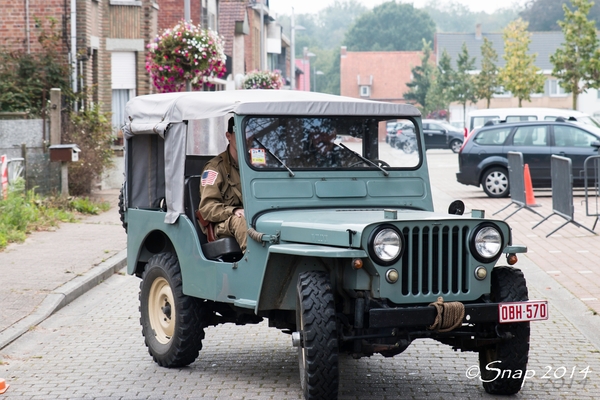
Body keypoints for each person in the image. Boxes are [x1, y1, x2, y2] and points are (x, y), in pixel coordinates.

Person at [198, 117, 247, 251]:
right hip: (223, 222)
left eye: (248, 134)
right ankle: (254, 267)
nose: (246, 139)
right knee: (241, 221)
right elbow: (207, 208)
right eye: (241, 134)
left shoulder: (256, 166)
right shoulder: (215, 168)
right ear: (228, 136)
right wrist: (234, 210)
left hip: (252, 216)